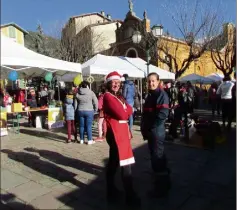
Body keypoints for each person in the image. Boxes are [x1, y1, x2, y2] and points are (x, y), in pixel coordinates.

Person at [103, 71, 140, 207]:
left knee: (113, 163)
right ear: (108, 83)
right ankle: (130, 196)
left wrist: (126, 110)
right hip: (116, 135)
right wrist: (126, 111)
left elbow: (129, 109)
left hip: (121, 134)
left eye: (118, 83)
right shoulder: (108, 97)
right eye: (114, 82)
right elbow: (123, 114)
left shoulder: (118, 97)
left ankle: (111, 190)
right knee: (126, 165)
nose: (116, 84)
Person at [141, 72, 170, 197]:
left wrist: (151, 128)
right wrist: (144, 128)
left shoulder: (161, 94)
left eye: (153, 81)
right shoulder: (150, 95)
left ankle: (161, 188)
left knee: (157, 157)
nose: (151, 83)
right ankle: (163, 181)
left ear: (158, 82)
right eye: (149, 81)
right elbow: (146, 114)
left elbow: (162, 115)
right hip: (151, 132)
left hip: (156, 131)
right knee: (156, 156)